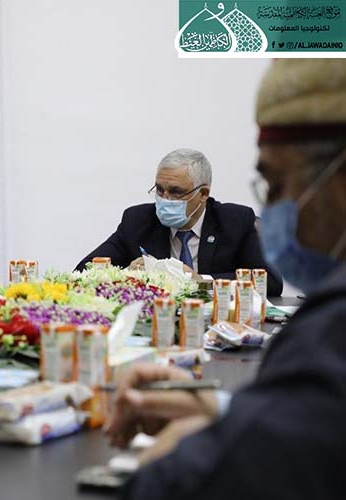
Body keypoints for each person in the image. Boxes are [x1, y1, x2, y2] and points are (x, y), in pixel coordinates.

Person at [106, 59, 346, 499]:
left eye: (276, 185)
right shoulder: (138, 220)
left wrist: (154, 466)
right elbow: (311, 420)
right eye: (160, 190)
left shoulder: (331, 324)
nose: (272, 209)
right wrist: (219, 406)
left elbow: (262, 456)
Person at [75, 148, 283, 297]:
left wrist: (201, 281)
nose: (165, 199)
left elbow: (271, 282)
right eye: (159, 190)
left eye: (176, 192)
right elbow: (83, 271)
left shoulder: (235, 221)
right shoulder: (137, 220)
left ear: (203, 194)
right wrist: (125, 275)